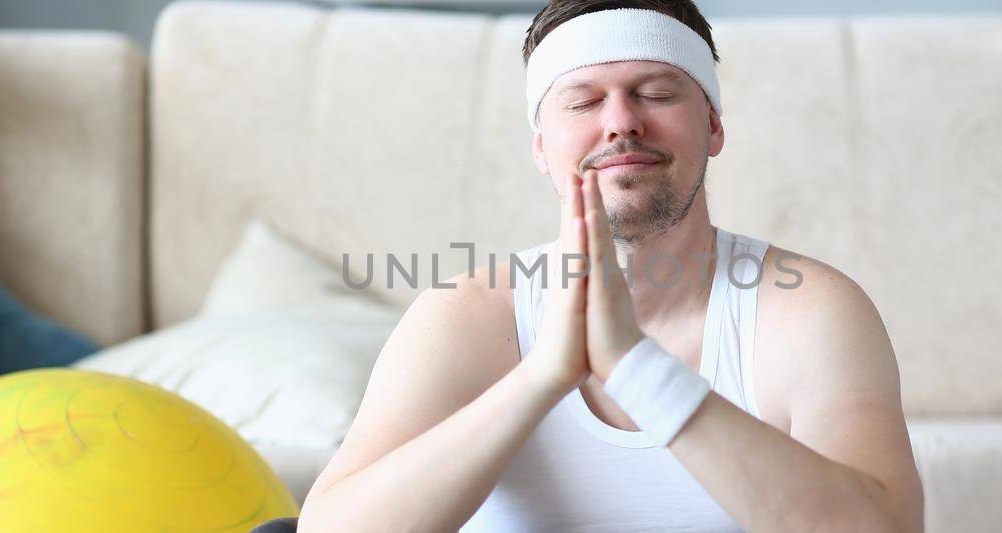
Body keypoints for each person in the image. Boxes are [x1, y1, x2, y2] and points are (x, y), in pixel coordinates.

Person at [285, 1, 925, 531]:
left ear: (713, 126)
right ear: (542, 148)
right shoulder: (472, 313)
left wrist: (635, 369)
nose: (621, 123)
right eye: (583, 101)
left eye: (656, 92)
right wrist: (544, 375)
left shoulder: (808, 309)